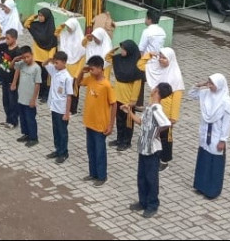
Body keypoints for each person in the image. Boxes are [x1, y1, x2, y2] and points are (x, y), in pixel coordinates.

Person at [122, 82, 173, 219]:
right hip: (144, 147)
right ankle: (142, 201)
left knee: (151, 178)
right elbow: (141, 122)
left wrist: (156, 132)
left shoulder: (156, 108)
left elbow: (166, 123)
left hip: (152, 149)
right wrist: (129, 112)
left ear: (156, 91)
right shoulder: (150, 106)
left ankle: (152, 205)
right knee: (142, 176)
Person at [138, 47, 185, 171]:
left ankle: (165, 160)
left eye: (164, 58)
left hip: (166, 112)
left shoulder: (176, 76)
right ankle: (156, 154)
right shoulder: (156, 69)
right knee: (154, 134)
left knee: (165, 137)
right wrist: (149, 54)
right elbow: (140, 65)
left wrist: (173, 117)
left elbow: (177, 98)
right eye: (160, 57)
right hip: (154, 108)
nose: (161, 60)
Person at [189, 74, 230, 199]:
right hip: (205, 133)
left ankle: (212, 191)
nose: (209, 85)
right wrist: (200, 84)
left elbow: (226, 123)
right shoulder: (205, 94)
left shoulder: (226, 102)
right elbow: (192, 94)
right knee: (204, 159)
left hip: (216, 135)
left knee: (214, 163)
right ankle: (201, 186)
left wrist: (223, 140)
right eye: (209, 82)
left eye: (212, 84)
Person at [77, 56, 117, 187]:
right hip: (89, 122)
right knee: (91, 149)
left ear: (101, 69)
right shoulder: (90, 79)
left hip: (100, 125)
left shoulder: (106, 85)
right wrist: (81, 72)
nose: (91, 71)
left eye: (92, 69)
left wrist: (111, 125)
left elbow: (114, 104)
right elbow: (78, 83)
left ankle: (102, 176)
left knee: (100, 151)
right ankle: (92, 173)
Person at [106, 40, 143, 151]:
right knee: (119, 120)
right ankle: (119, 139)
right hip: (118, 97)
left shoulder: (137, 66)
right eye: (122, 49)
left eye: (124, 49)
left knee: (128, 122)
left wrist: (133, 100)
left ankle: (126, 142)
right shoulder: (119, 60)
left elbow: (137, 84)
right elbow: (107, 58)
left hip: (128, 99)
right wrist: (114, 49)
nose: (122, 51)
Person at [43, 51, 74, 164]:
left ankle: (64, 152)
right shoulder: (54, 71)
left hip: (62, 109)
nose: (55, 65)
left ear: (64, 63)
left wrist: (67, 113)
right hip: (54, 107)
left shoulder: (67, 78)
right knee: (55, 130)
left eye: (57, 63)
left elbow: (69, 97)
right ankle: (57, 149)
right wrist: (50, 59)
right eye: (55, 63)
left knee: (62, 131)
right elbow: (44, 64)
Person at [24, 8, 57, 103]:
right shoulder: (36, 26)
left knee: (46, 78)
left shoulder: (51, 30)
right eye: (39, 15)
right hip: (37, 56)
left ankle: (45, 95)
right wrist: (34, 16)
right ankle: (40, 94)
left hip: (46, 58)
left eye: (42, 16)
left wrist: (50, 58)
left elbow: (53, 45)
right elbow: (26, 24)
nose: (40, 17)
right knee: (38, 76)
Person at [12, 46, 42, 148]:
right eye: (24, 57)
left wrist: (34, 99)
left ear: (32, 55)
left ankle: (33, 137)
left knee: (30, 118)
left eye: (27, 57)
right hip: (21, 97)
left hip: (30, 99)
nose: (26, 59)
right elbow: (13, 67)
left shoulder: (36, 68)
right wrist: (15, 59)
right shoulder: (22, 64)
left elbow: (37, 84)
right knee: (23, 117)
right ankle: (26, 134)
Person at [57, 18, 86, 115]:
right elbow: (56, 34)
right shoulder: (65, 35)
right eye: (67, 27)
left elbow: (82, 58)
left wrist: (78, 74)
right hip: (66, 68)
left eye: (70, 27)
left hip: (75, 71)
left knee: (74, 90)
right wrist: (62, 26)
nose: (68, 29)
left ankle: (73, 109)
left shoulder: (81, 41)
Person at [0, 29, 21, 129]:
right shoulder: (5, 46)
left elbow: (17, 69)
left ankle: (14, 121)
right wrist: (0, 38)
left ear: (14, 39)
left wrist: (14, 83)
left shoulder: (17, 51)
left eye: (8, 38)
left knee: (13, 101)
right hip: (4, 78)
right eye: (6, 38)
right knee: (5, 100)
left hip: (11, 80)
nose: (6, 40)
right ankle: (8, 119)